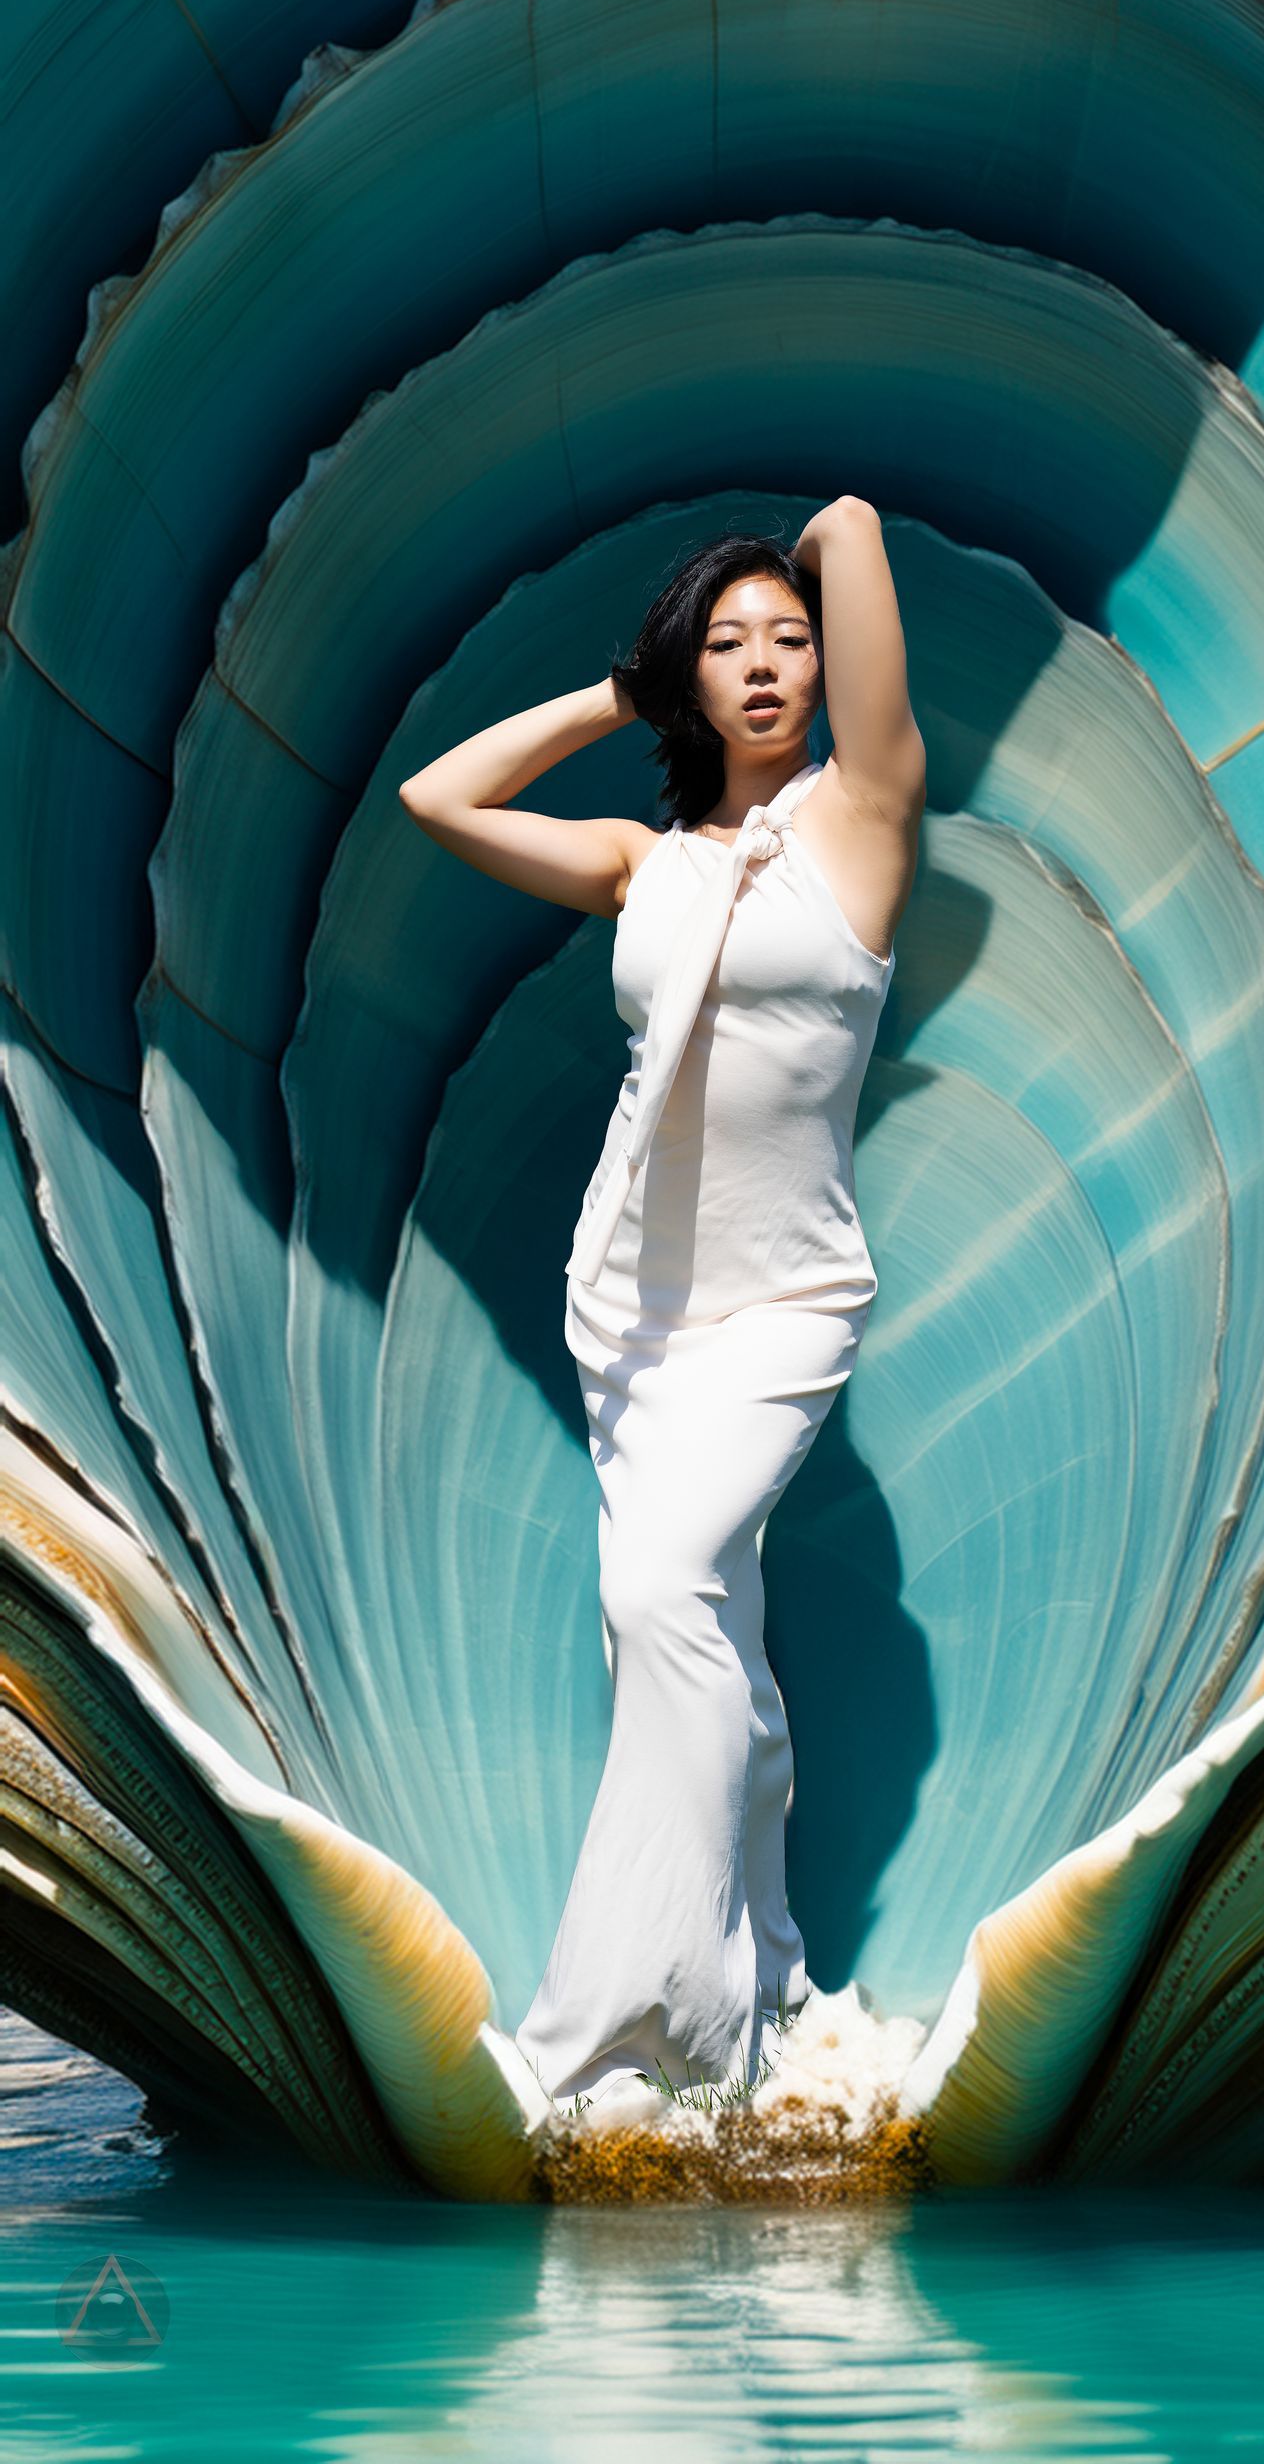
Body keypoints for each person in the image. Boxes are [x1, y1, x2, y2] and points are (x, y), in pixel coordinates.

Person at [397, 496, 924, 2108]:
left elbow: (852, 531)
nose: (763, 666)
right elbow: (438, 796)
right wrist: (617, 694)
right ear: (688, 683)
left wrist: (813, 545)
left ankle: (633, 2028)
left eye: (788, 643)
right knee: (705, 1642)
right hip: (636, 1316)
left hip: (783, 1308)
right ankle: (759, 1998)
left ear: (828, 671)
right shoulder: (643, 863)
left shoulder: (863, 818)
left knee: (666, 1593)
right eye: (728, 645)